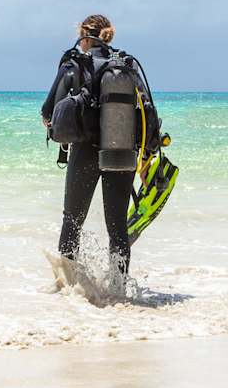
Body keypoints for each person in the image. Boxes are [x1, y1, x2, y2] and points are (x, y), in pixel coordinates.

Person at [40, 14, 148, 276]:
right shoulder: (125, 66)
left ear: (83, 35)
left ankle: (68, 284)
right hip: (122, 152)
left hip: (85, 151)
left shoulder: (74, 64)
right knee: (118, 227)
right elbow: (146, 113)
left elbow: (48, 113)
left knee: (73, 221)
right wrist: (146, 158)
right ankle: (119, 287)